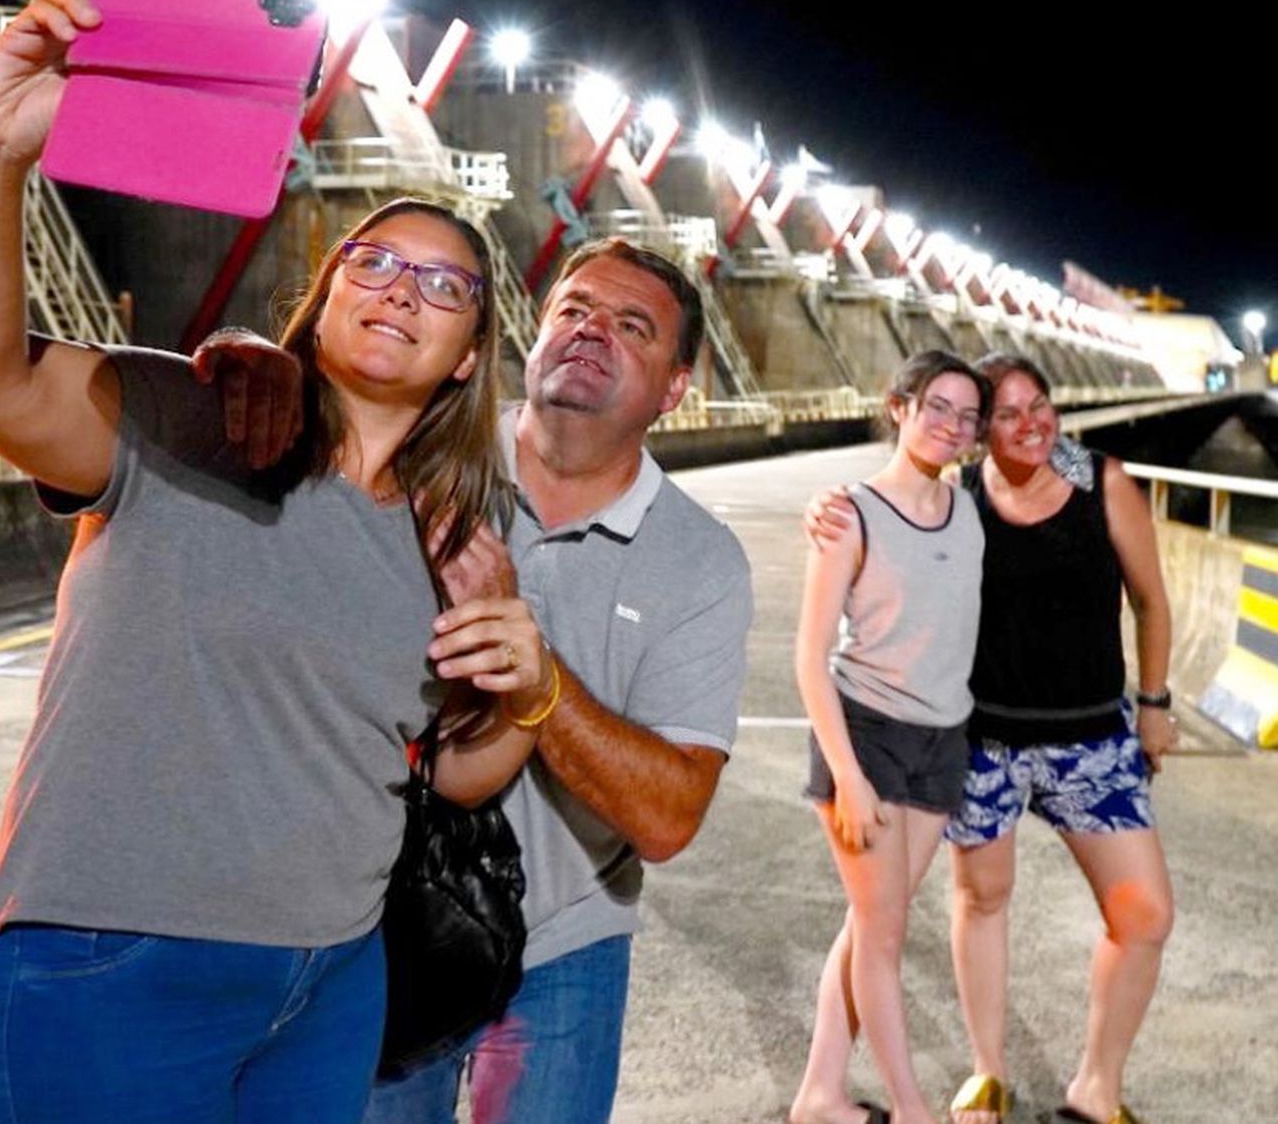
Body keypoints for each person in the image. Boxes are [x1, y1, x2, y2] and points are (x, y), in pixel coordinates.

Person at [0, 0, 553, 1124]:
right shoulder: (186, 415)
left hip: (329, 976)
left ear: (471, 353)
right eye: (375, 260)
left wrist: (529, 692)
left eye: (446, 283)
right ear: (327, 287)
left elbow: (445, 771)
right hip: (112, 961)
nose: (403, 288)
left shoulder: (455, 533)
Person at [199, 236, 754, 1123]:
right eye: (573, 310)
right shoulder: (412, 461)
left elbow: (668, 816)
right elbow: (301, 414)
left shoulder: (699, 561)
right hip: (373, 921)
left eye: (632, 326)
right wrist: (247, 364)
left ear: (676, 388)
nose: (590, 331)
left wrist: (536, 677)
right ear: (529, 341)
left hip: (567, 937)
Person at [807, 353, 1176, 1124]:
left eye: (1038, 405)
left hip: (1091, 744)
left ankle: (1096, 1085)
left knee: (1143, 911)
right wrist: (829, 509)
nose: (1028, 424)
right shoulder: (965, 492)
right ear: (980, 434)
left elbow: (1151, 598)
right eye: (1004, 414)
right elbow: (888, 506)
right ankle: (985, 1072)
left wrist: (1154, 701)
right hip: (981, 742)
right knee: (980, 897)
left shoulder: (1094, 476)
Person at [789, 350, 990, 1124]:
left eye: (968, 417)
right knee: (883, 933)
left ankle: (820, 1092)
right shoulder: (851, 513)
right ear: (899, 406)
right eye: (937, 406)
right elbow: (808, 657)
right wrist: (847, 776)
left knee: (870, 923)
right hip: (865, 736)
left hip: (943, 737)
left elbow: (1063, 458)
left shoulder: (967, 503)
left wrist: (1038, 430)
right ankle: (911, 1107)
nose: (952, 426)